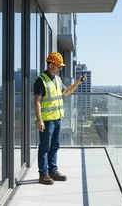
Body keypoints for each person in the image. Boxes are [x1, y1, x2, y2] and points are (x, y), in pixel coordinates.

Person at [34, 52, 86, 185]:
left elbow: (65, 92)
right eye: (58, 66)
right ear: (51, 65)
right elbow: (37, 101)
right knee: (45, 147)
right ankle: (43, 174)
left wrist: (78, 82)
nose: (60, 68)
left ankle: (53, 171)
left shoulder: (57, 79)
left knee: (55, 146)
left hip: (57, 119)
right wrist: (39, 119)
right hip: (46, 120)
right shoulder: (41, 80)